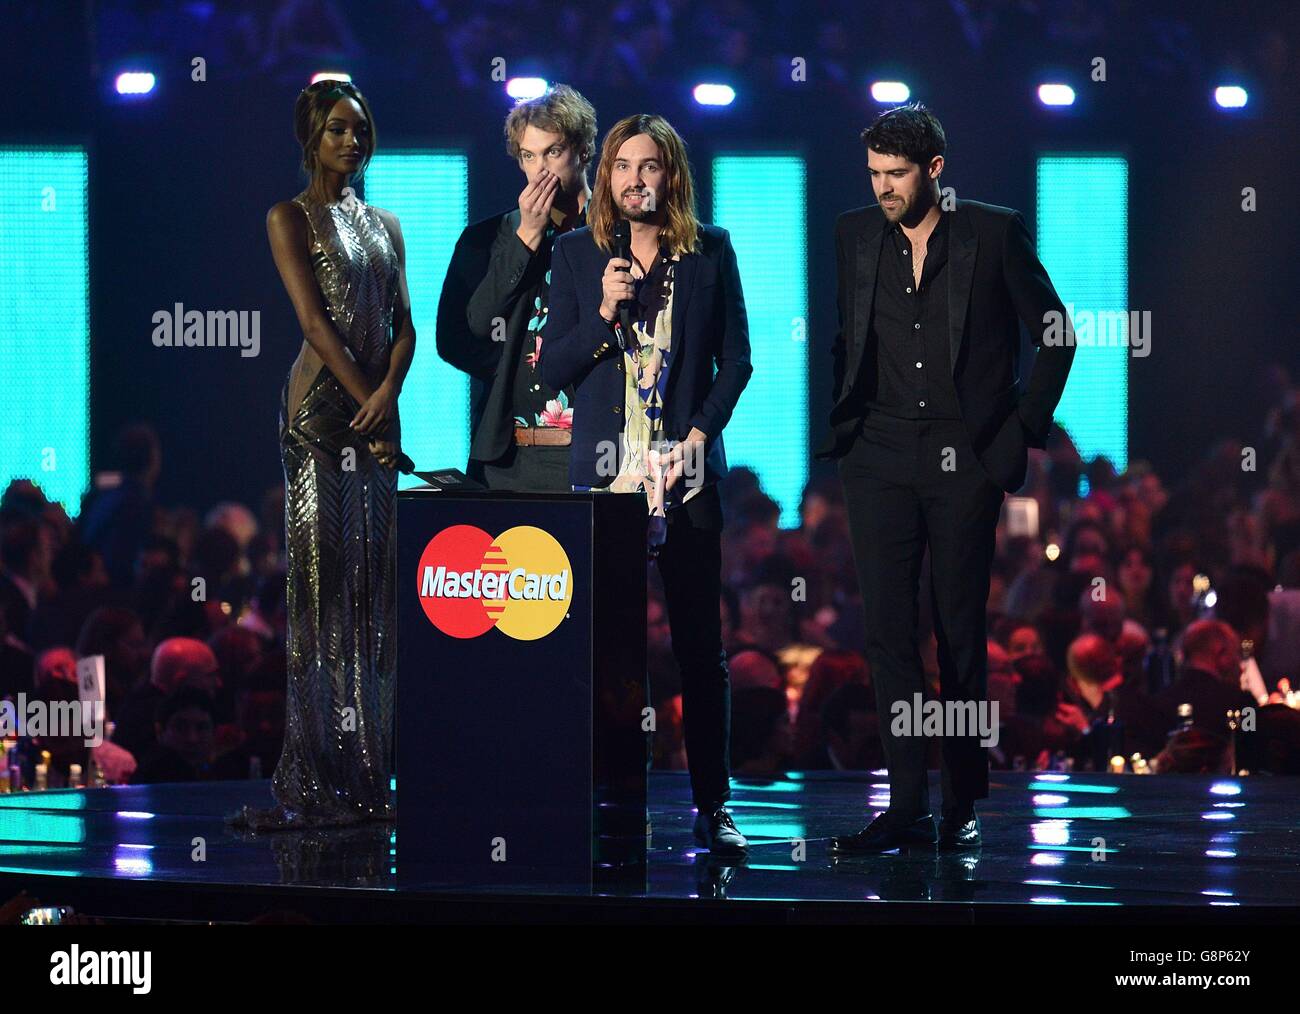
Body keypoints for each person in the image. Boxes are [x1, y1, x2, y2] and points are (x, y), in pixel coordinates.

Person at [817, 103, 1076, 853]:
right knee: (888, 633)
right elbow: (848, 335)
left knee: (958, 631)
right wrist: (851, 421)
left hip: (966, 456)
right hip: (879, 455)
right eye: (872, 174)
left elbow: (1055, 331)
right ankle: (905, 805)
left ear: (934, 169)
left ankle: (960, 796)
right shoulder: (854, 233)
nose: (882, 189)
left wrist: (1020, 427)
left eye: (895, 174)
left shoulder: (992, 232)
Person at [542, 114, 753, 855]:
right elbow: (549, 373)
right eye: (624, 166)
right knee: (603, 652)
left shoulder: (710, 251)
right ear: (607, 178)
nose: (637, 179)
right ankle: (606, 801)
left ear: (672, 176)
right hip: (607, 481)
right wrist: (604, 313)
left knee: (700, 649)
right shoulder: (575, 255)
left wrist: (696, 440)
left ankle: (713, 805)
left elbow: (739, 361)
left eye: (651, 166)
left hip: (687, 476)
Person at [231, 79, 415, 830]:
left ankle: (369, 776)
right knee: (322, 593)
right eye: (339, 129)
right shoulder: (290, 217)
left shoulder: (388, 224)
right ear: (311, 136)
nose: (353, 141)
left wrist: (389, 397)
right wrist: (367, 397)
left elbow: (405, 325)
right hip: (317, 421)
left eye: (361, 129)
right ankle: (316, 778)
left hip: (376, 418)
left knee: (374, 596)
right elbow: (313, 321)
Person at [437, 84, 598, 490]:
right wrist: (526, 237)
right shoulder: (486, 237)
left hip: (599, 451)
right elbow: (460, 334)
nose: (540, 170)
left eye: (553, 153)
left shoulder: (619, 235)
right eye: (529, 156)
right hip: (513, 455)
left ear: (583, 151)